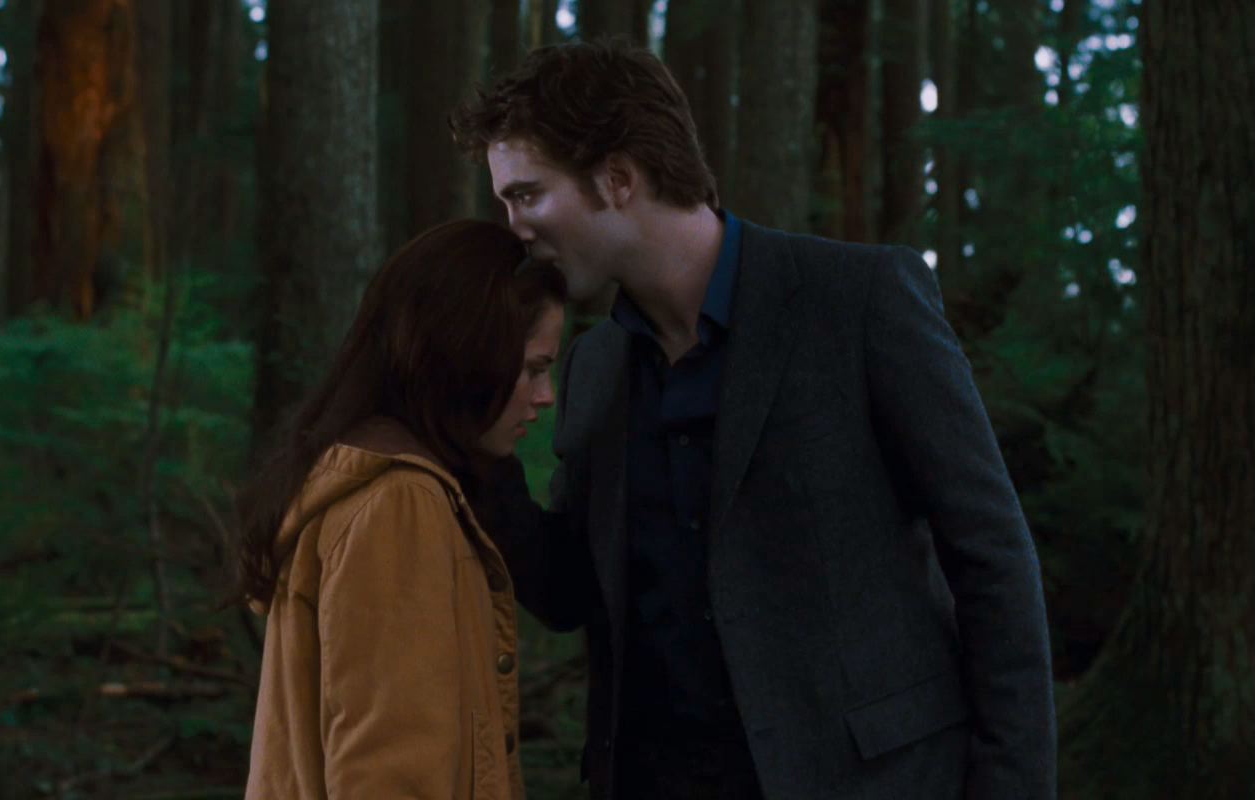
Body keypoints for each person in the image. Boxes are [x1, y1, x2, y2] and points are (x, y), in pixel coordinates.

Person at [452, 40, 1057, 800]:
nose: (514, 227)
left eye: (527, 195)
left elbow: (992, 557)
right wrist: (481, 448)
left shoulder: (859, 301)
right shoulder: (594, 367)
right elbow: (573, 591)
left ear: (618, 178)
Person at [237, 219, 566, 799]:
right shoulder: (400, 506)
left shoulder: (378, 484)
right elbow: (391, 777)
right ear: (470, 354)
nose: (546, 397)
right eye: (534, 369)